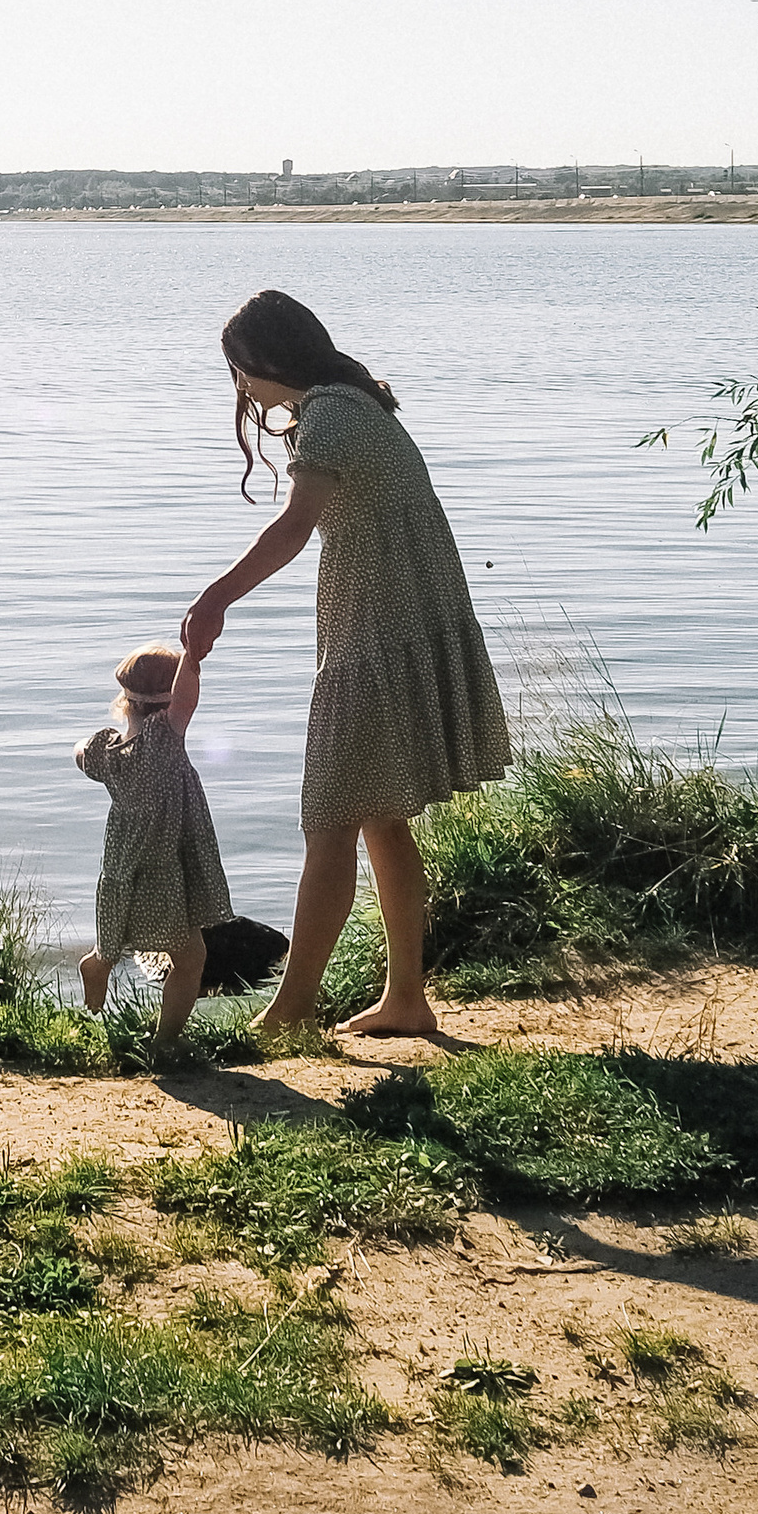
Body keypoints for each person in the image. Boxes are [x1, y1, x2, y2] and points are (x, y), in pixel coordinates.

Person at [182, 287, 509, 1039]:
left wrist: (216, 597)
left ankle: (291, 1012)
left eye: (238, 372)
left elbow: (294, 526)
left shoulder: (330, 414)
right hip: (399, 629)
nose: (240, 390)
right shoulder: (358, 404)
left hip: (376, 641)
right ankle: (406, 999)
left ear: (261, 361)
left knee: (330, 817)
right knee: (381, 820)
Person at [74, 632, 233, 1045]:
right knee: (191, 958)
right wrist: (193, 659)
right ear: (167, 705)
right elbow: (188, 700)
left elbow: (80, 755)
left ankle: (101, 962)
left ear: (124, 702)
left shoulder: (107, 752)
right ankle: (165, 1044)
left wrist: (87, 747)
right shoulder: (164, 740)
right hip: (163, 867)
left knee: (126, 933)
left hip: (125, 866)